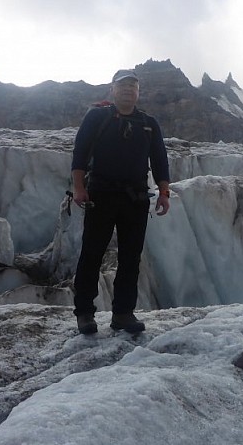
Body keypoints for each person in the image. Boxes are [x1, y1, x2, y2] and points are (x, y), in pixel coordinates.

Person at [70, 69, 170, 335]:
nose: (128, 90)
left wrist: (164, 192)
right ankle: (85, 314)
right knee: (92, 253)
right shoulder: (97, 116)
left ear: (138, 92)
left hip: (135, 198)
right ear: (112, 90)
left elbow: (159, 159)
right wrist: (79, 187)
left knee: (130, 258)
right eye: (123, 85)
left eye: (133, 86)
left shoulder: (148, 123)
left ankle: (123, 314)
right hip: (101, 194)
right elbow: (79, 153)